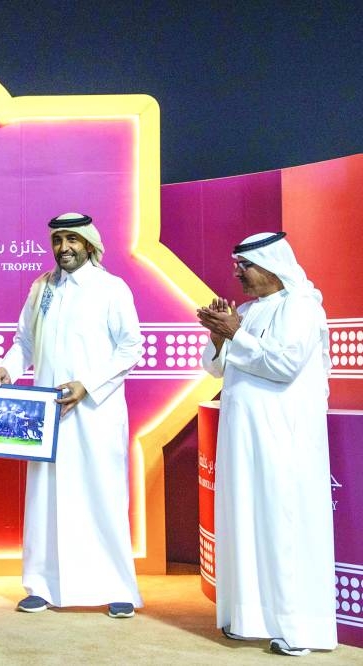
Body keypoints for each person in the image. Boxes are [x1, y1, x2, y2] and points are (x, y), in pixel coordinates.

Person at [0, 212, 143, 619]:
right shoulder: (42, 287)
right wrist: (9, 367)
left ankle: (117, 587)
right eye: (58, 240)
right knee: (46, 498)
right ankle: (42, 585)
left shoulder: (111, 288)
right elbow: (24, 340)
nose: (64, 248)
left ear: (89, 243)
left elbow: (131, 348)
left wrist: (87, 385)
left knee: (102, 497)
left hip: (95, 413)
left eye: (72, 240)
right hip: (47, 414)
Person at [197, 232, 336, 656]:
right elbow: (217, 370)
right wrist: (220, 337)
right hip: (243, 437)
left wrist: (234, 332)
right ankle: (249, 618)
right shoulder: (250, 310)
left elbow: (283, 364)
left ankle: (295, 629)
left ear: (272, 266)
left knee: (283, 525)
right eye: (236, 265)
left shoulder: (302, 308)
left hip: (284, 439)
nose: (237, 273)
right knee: (243, 519)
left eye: (246, 266)